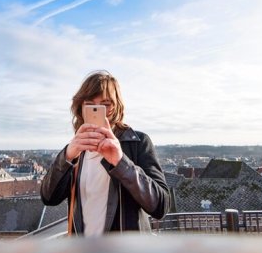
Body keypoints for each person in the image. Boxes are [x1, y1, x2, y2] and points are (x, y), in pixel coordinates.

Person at [41, 70, 170, 236]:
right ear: (81, 108)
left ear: (115, 107)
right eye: (90, 104)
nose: (97, 109)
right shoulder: (76, 150)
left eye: (106, 104)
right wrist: (67, 156)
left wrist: (121, 161)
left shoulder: (138, 143)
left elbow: (161, 206)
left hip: (125, 252)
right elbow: (48, 198)